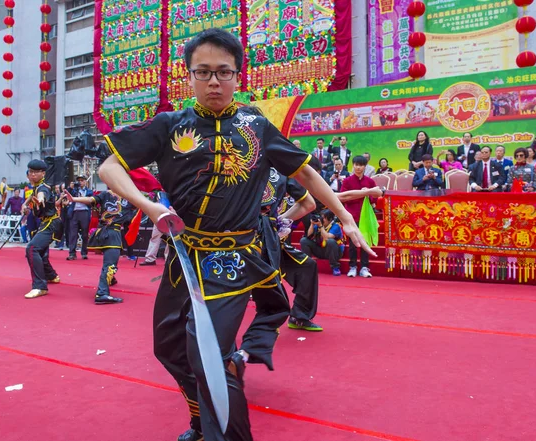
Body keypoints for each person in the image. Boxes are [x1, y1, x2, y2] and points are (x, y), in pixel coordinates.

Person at [98, 28, 373, 441]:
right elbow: (109, 167)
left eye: (224, 73)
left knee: (208, 354)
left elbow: (304, 171)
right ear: (187, 76)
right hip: (184, 256)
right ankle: (199, 418)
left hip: (232, 260)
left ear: (237, 77)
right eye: (203, 72)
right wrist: (152, 206)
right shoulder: (169, 125)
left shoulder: (256, 126)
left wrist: (345, 218)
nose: (214, 82)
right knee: (169, 346)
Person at [260, 167, 322, 331]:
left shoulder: (283, 173)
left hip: (271, 239)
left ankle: (299, 316)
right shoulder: (241, 167)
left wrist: (277, 222)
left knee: (306, 266)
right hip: (242, 239)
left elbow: (310, 204)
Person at [64, 189, 136, 304]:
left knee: (110, 260)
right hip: (112, 233)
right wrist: (73, 199)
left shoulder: (115, 194)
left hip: (104, 231)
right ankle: (102, 293)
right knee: (110, 265)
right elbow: (91, 199)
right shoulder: (125, 194)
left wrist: (74, 199)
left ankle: (111, 280)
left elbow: (91, 200)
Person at [22, 160, 63, 299]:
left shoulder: (43, 188)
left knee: (32, 249)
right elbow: (33, 194)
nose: (32, 175)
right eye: (30, 172)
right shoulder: (36, 186)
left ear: (43, 173)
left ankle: (39, 286)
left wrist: (40, 200)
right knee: (41, 252)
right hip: (47, 222)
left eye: (35, 172)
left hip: (51, 223)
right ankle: (52, 276)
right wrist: (25, 204)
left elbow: (41, 194)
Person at [340, 155, 376, 278]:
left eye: (361, 165)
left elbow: (374, 199)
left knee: (365, 242)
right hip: (351, 216)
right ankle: (353, 266)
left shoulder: (370, 181)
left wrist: (368, 193)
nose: (358, 167)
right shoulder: (347, 181)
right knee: (353, 243)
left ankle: (365, 267)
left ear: (365, 167)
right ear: (353, 165)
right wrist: (361, 193)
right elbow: (344, 198)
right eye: (356, 165)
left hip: (365, 217)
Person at [67, 176, 93, 260]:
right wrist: (71, 188)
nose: (80, 182)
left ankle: (84, 252)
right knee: (73, 234)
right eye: (79, 181)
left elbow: (90, 201)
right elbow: (68, 194)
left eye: (82, 180)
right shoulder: (74, 190)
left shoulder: (89, 191)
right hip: (74, 213)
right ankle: (72, 253)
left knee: (85, 234)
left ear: (85, 181)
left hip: (84, 212)